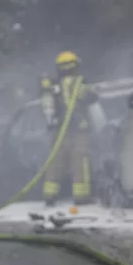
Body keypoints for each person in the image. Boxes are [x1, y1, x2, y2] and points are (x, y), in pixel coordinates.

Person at [41, 50, 98, 207]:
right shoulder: (79, 85)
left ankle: (49, 195)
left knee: (54, 162)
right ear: (76, 66)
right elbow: (93, 96)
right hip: (78, 131)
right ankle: (81, 197)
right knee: (80, 161)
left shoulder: (52, 87)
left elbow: (47, 108)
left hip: (58, 131)